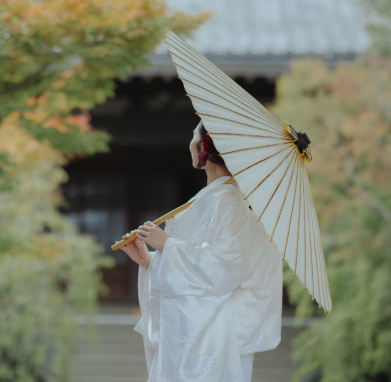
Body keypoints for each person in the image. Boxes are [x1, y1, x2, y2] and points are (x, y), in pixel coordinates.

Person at [120, 120, 282, 381]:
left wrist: (168, 245)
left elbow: (226, 267)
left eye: (194, 137)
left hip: (208, 334)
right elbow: (199, 265)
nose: (190, 143)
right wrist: (151, 261)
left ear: (204, 147)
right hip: (189, 327)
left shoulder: (229, 203)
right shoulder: (213, 199)